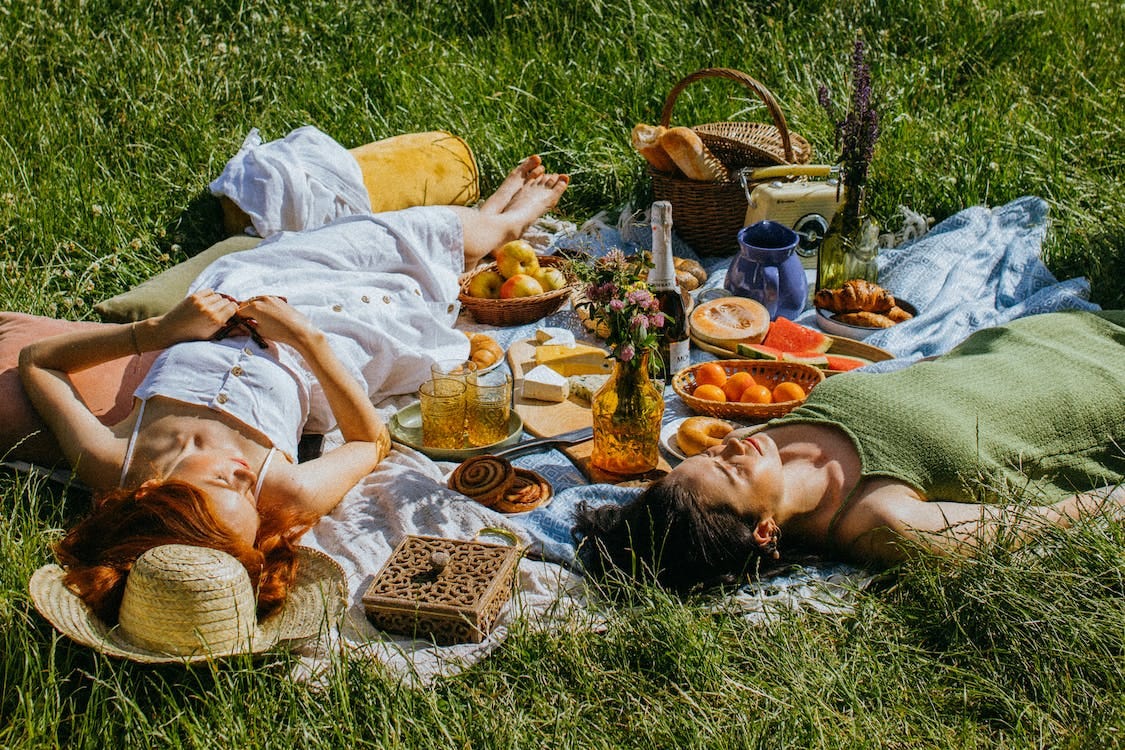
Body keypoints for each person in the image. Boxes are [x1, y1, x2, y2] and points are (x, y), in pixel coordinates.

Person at [20, 157, 569, 624]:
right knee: (413, 291)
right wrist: (306, 340)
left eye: (223, 486)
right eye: (248, 500)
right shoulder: (283, 491)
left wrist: (159, 332)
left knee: (387, 235)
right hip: (329, 344)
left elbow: (38, 362)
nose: (242, 477)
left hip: (249, 288)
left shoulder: (113, 461)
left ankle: (486, 225)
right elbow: (368, 442)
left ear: (156, 493)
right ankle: (505, 223)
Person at [575, 310, 1125, 591]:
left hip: (1035, 337)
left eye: (714, 452)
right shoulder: (881, 521)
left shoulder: (775, 438)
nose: (734, 443)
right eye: (730, 469)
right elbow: (1051, 519)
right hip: (1105, 389)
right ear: (764, 531)